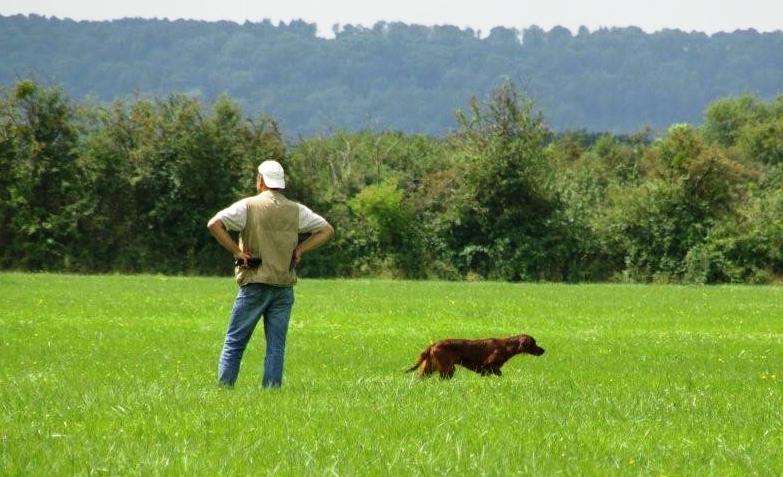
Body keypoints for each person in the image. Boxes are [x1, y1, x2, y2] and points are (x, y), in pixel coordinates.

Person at [207, 160, 333, 388]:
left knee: (235, 341)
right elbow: (326, 229)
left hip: (255, 283)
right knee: (276, 346)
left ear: (260, 181)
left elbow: (214, 224)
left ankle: (225, 388)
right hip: (284, 286)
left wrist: (237, 251)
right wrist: (300, 249)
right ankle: (271, 390)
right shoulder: (297, 210)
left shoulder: (248, 205)